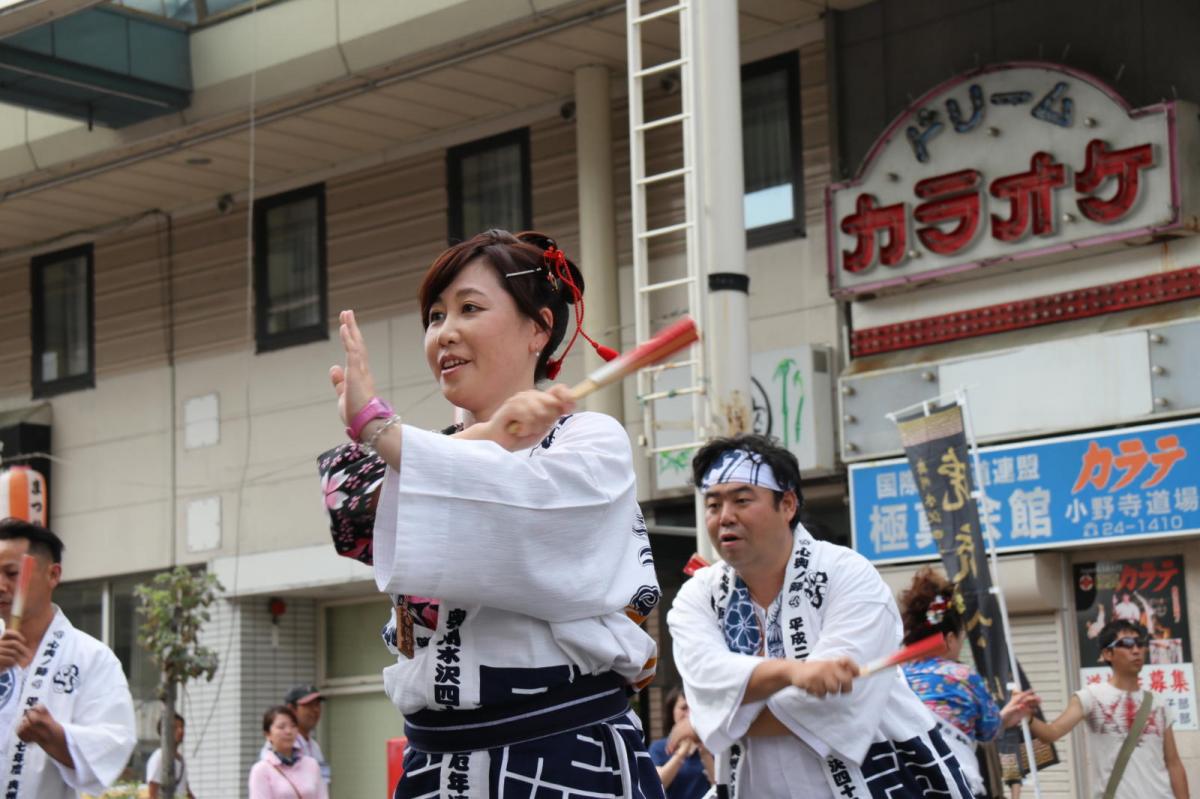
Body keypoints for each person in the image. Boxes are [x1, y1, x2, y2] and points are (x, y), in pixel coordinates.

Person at [318, 230, 663, 797]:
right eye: (434, 316)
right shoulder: (425, 453)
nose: (444, 332)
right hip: (435, 766)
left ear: (539, 328)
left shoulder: (591, 441)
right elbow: (350, 513)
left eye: (469, 309)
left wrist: (384, 428)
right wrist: (486, 436)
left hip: (562, 755)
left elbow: (526, 518)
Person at [667, 435, 974, 797]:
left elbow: (837, 703)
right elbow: (705, 676)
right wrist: (793, 672)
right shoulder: (699, 594)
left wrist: (717, 719)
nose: (725, 517)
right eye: (713, 504)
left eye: (742, 500)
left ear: (788, 504)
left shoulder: (848, 574)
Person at [0, 518, 136, 799]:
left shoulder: (92, 658)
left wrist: (56, 736)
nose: (0, 585)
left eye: (11, 573)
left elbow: (113, 741)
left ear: (52, 575)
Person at [899, 568, 1034, 797]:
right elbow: (988, 730)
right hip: (957, 783)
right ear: (949, 640)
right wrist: (1005, 718)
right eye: (961, 638)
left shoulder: (897, 677)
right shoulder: (962, 676)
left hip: (909, 786)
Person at [1026, 620, 1188, 799]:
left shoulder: (1158, 702)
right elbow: (1052, 733)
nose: (1136, 650)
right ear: (1107, 654)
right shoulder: (1090, 696)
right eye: (1126, 644)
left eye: (1139, 644)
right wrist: (1028, 718)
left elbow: (1173, 763)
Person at [249, 705, 329, 799]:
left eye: (293, 726)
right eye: (281, 727)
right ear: (268, 734)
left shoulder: (311, 765)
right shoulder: (261, 770)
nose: (288, 731)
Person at [259, 684, 330, 786]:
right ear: (291, 709)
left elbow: (323, 783)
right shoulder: (277, 746)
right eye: (309, 705)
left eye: (317, 704)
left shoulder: (315, 747)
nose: (315, 710)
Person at [649, 687, 713, 798]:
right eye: (684, 708)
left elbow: (722, 786)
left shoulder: (712, 746)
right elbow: (655, 784)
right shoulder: (658, 748)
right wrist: (682, 753)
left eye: (693, 708)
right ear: (672, 711)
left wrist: (706, 754)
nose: (689, 714)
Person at [146, 712, 194, 799]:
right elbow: (152, 794)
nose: (181, 731)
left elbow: (186, 791)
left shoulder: (181, 759)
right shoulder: (159, 757)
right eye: (175, 727)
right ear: (164, 732)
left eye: (182, 727)